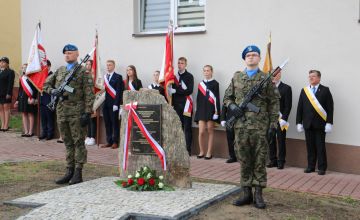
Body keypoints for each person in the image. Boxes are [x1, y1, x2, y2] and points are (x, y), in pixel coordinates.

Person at [223, 45, 280, 209]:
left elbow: (274, 102)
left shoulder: (266, 79)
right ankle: (246, 192)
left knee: (260, 159)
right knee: (244, 159)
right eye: (248, 55)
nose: (251, 57)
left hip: (260, 127)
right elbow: (227, 98)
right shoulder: (237, 77)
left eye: (255, 55)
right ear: (244, 58)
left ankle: (259, 194)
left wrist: (273, 124)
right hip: (240, 127)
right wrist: (233, 107)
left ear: (259, 58)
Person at [43, 44, 94, 185]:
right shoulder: (60, 71)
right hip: (61, 111)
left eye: (70, 53)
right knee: (67, 142)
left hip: (76, 111)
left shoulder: (83, 72)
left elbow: (89, 94)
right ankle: (69, 171)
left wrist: (87, 113)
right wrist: (54, 91)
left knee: (78, 142)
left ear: (77, 54)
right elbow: (45, 85)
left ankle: (78, 172)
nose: (67, 55)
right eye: (65, 53)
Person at [296, 70, 334, 175]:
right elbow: (300, 108)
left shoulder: (325, 90)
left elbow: (330, 108)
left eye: (313, 76)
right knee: (310, 146)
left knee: (320, 146)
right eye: (309, 76)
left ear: (319, 78)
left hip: (320, 124)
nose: (311, 78)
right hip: (307, 124)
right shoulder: (304, 91)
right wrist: (298, 122)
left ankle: (322, 168)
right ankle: (311, 166)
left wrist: (329, 123)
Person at [267, 71, 292, 169]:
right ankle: (272, 160)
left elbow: (288, 106)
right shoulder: (267, 88)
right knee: (270, 140)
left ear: (279, 75)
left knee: (281, 140)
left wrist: (284, 118)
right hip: (269, 118)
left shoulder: (286, 88)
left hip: (281, 119)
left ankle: (281, 161)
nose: (273, 76)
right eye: (272, 75)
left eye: (275, 74)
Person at [194, 65, 220, 160]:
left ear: (211, 71)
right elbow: (198, 98)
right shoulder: (200, 84)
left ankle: (209, 152)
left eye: (208, 70)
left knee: (210, 130)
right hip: (201, 110)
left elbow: (217, 98)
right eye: (204, 71)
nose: (206, 72)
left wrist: (216, 112)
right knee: (201, 132)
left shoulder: (215, 83)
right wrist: (197, 111)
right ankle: (201, 151)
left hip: (211, 110)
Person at [171, 57, 194, 156]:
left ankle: (188, 149)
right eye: (179, 63)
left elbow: (189, 90)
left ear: (185, 64)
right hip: (176, 105)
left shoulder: (189, 76)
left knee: (187, 127)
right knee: (178, 127)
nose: (180, 65)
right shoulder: (174, 77)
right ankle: (179, 149)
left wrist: (176, 91)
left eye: (182, 63)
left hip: (186, 105)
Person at [100, 60, 124, 149]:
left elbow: (119, 91)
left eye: (110, 65)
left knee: (114, 123)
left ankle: (115, 141)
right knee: (107, 123)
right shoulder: (105, 77)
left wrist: (116, 103)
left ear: (114, 66)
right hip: (105, 104)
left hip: (113, 104)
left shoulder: (118, 77)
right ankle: (109, 141)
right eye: (107, 65)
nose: (108, 67)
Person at [14, 63, 38, 137]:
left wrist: (33, 98)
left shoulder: (32, 77)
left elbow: (35, 89)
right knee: (24, 114)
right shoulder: (22, 78)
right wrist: (17, 100)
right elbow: (20, 90)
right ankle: (26, 131)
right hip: (22, 98)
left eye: (25, 67)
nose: (23, 69)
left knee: (30, 113)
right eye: (22, 68)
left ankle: (31, 131)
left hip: (29, 98)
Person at [39, 60, 55, 140]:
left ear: (49, 66)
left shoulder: (52, 75)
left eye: (45, 67)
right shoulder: (41, 75)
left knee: (49, 117)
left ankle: (50, 133)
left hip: (49, 99)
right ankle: (44, 132)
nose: (43, 68)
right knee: (43, 117)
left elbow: (53, 87)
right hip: (42, 99)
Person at [0, 57, 15, 132]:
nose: (1, 63)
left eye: (3, 62)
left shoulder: (10, 72)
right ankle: (2, 124)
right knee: (0, 109)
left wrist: (9, 93)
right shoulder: (0, 71)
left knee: (6, 109)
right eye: (1, 62)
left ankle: (6, 125)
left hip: (6, 93)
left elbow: (10, 83)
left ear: (7, 64)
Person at [84, 60, 97, 146]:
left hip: (93, 99)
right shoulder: (84, 75)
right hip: (85, 100)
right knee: (87, 118)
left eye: (90, 64)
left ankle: (93, 137)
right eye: (87, 64)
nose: (88, 66)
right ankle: (88, 136)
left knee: (92, 119)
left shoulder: (94, 76)